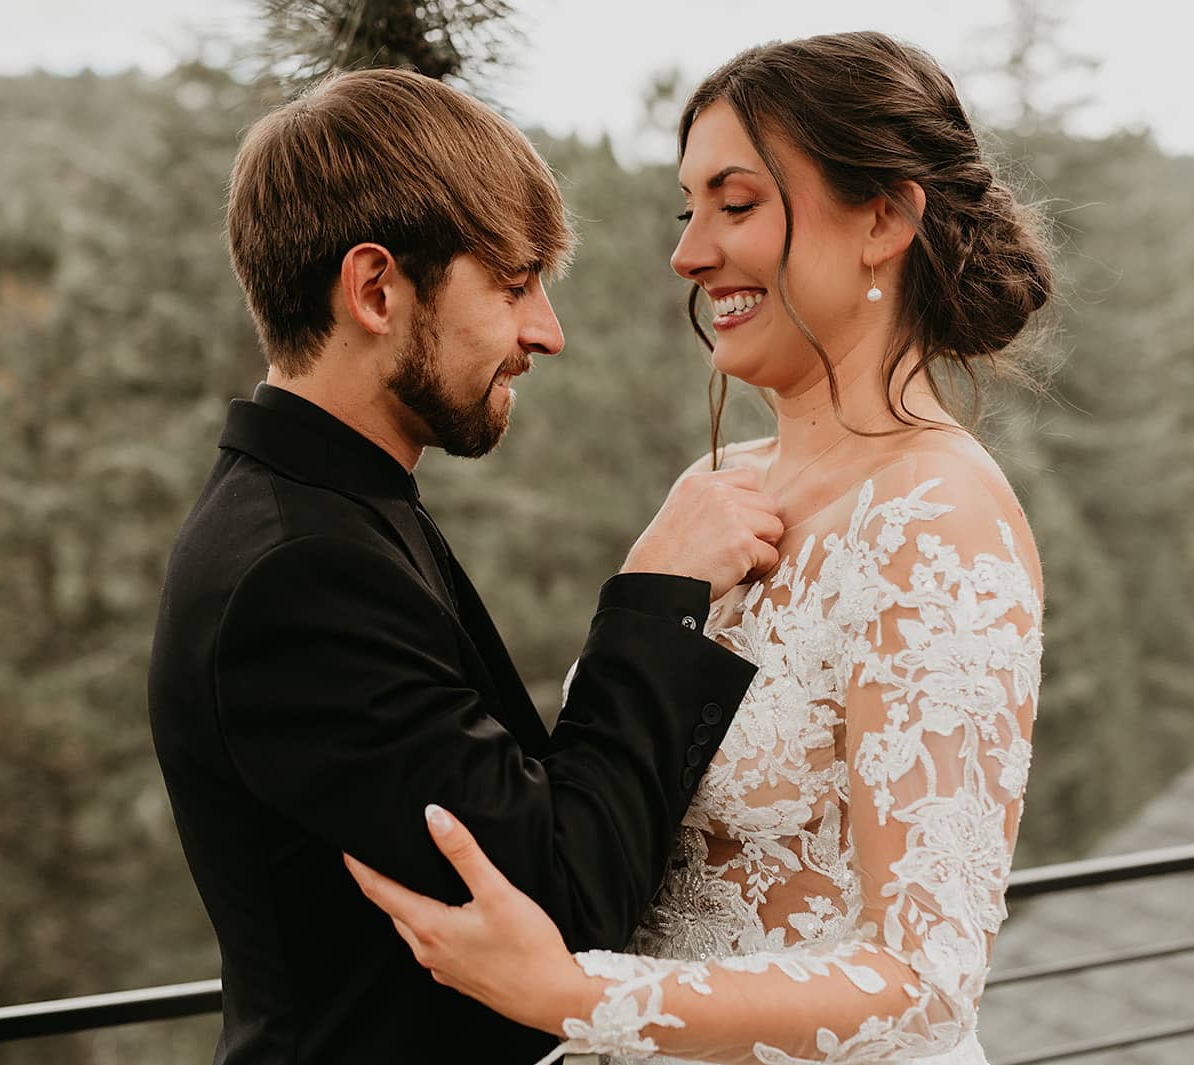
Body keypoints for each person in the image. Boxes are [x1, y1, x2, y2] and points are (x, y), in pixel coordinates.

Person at [344, 31, 1051, 1065]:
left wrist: (574, 994)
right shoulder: (711, 491)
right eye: (689, 210)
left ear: (884, 219)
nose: (688, 251)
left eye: (736, 203)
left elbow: (925, 984)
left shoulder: (938, 515)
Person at [147, 68, 787, 1065]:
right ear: (375, 289)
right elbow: (566, 901)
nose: (547, 333)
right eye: (511, 283)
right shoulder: (298, 574)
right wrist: (655, 595)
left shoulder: (335, 511)